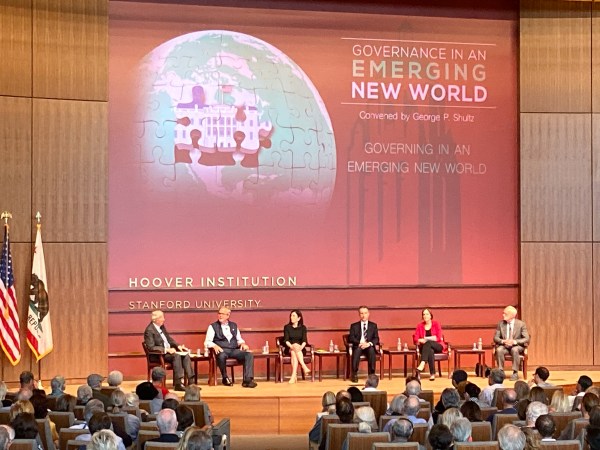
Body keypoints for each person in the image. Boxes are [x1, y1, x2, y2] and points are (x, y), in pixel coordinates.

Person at [204, 307, 257, 388]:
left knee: (248, 355)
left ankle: (248, 380)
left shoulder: (234, 325)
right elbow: (207, 341)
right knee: (221, 355)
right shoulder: (212, 326)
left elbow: (239, 339)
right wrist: (214, 345)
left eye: (222, 314)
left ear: (228, 315)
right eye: (219, 313)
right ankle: (225, 377)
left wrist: (243, 344)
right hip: (222, 350)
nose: (220, 316)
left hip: (233, 350)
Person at [144, 310, 194, 391]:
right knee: (177, 356)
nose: (164, 319)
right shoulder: (149, 330)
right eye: (162, 317)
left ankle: (191, 382)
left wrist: (178, 346)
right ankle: (178, 384)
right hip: (158, 355)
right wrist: (166, 350)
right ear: (155, 319)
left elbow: (169, 339)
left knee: (185, 355)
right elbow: (151, 347)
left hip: (168, 354)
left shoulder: (162, 327)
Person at [493, 306, 530, 381]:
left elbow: (526, 338)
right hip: (505, 346)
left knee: (514, 350)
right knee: (499, 350)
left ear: (512, 315)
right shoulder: (501, 324)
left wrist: (514, 342)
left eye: (505, 314)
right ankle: (501, 371)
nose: (503, 315)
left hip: (516, 346)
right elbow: (495, 338)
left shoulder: (521, 324)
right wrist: (503, 341)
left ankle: (515, 372)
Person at [347, 306, 379, 383]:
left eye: (365, 313)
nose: (363, 315)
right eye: (361, 313)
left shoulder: (373, 325)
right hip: (359, 345)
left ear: (368, 314)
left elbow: (376, 338)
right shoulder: (354, 326)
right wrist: (359, 343)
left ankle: (371, 374)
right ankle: (354, 374)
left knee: (371, 350)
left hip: (368, 346)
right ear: (359, 315)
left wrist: (369, 344)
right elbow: (351, 338)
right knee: (357, 350)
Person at [414, 308, 446, 381]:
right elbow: (415, 338)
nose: (425, 316)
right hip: (426, 348)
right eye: (424, 314)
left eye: (427, 314)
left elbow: (439, 337)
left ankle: (422, 362)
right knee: (430, 350)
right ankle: (432, 374)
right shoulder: (420, 326)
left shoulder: (436, 324)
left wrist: (427, 340)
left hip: (438, 345)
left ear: (431, 316)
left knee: (428, 342)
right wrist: (420, 340)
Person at [283, 309, 310, 384]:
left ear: (299, 318)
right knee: (293, 349)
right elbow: (286, 340)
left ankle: (293, 376)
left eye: (294, 316)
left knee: (294, 352)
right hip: (289, 348)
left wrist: (300, 347)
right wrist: (292, 346)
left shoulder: (303, 328)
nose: (291, 317)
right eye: (291, 315)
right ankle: (304, 366)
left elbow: (304, 340)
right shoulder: (287, 327)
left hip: (300, 349)